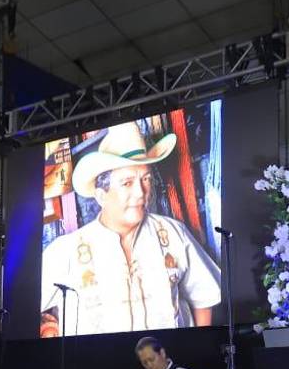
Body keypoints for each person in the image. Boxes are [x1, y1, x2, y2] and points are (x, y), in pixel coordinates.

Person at [40, 121, 221, 337]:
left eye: (146, 179)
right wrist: (47, 328)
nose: (140, 192)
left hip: (169, 366)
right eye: (127, 183)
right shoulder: (64, 251)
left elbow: (204, 297)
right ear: (101, 195)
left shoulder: (173, 234)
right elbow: (22, 312)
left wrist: (197, 349)